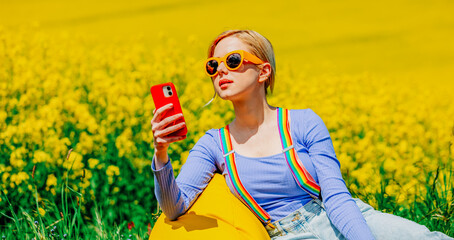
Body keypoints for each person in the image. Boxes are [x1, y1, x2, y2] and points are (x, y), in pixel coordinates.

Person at [151, 30, 452, 240]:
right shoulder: (214, 144)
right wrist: (161, 153)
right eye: (213, 66)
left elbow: (336, 197)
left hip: (339, 219)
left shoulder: (303, 122)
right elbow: (175, 207)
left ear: (264, 71)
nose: (221, 72)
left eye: (233, 61)